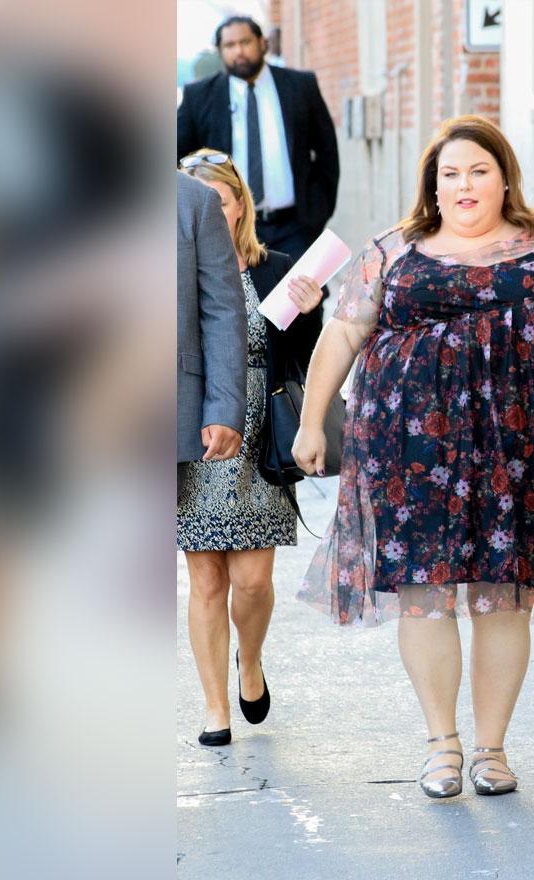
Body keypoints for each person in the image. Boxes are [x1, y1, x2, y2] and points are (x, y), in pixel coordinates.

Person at [293, 116, 534, 798]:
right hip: (411, 450)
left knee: (501, 598)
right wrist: (314, 422)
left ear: (504, 177)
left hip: (523, 449)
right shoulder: (394, 251)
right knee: (424, 594)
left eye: (479, 170)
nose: (465, 184)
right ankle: (442, 744)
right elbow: (342, 335)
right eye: (450, 172)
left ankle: (491, 748)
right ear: (433, 183)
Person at [177, 149, 324, 747]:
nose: (210, 210)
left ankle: (251, 660)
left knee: (254, 582)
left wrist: (311, 313)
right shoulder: (177, 261)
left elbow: (300, 357)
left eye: (220, 199)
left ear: (239, 206)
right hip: (194, 429)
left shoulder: (275, 267)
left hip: (258, 432)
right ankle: (216, 708)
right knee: (206, 581)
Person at [176, 15, 338, 273]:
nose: (238, 51)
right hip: (227, 226)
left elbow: (327, 151)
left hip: (293, 226)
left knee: (302, 304)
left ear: (262, 43)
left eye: (245, 42)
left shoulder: (300, 85)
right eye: (229, 46)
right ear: (220, 51)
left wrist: (316, 212)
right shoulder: (199, 96)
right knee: (237, 306)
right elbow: (177, 157)